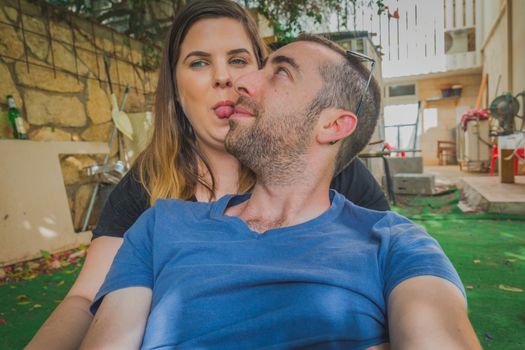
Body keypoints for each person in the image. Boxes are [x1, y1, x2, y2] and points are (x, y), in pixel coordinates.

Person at [80, 35, 481, 349]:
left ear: (332, 126)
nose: (241, 80)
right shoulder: (160, 225)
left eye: (280, 72)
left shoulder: (396, 244)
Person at [26, 1, 389, 349]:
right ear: (177, 92)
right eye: (199, 63)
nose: (223, 77)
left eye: (238, 59)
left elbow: (387, 271)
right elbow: (85, 297)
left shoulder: (328, 170)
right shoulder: (148, 185)